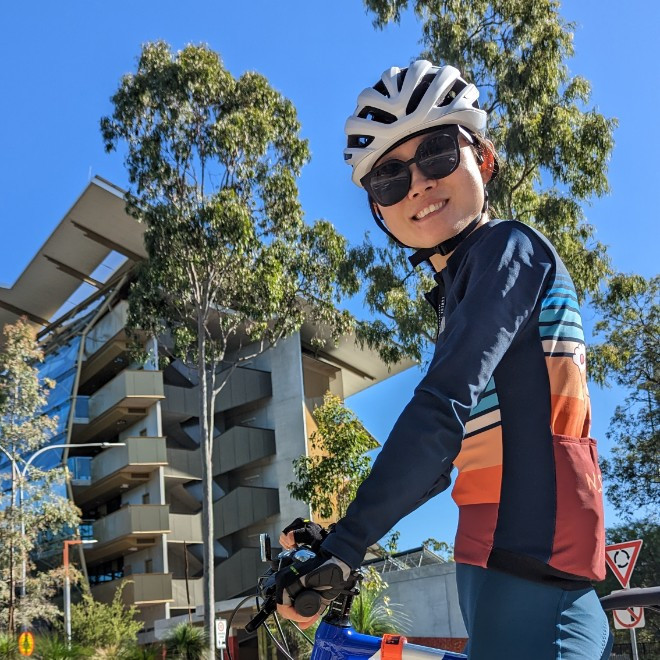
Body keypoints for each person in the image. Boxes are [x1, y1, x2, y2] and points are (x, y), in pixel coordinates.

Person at [275, 60, 613, 659]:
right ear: (379, 211)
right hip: (495, 570)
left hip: (532, 570)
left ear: (482, 157)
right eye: (389, 179)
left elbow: (442, 408)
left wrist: (345, 548)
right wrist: (339, 536)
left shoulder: (508, 248)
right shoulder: (464, 288)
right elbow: (442, 459)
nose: (418, 185)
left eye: (436, 154)